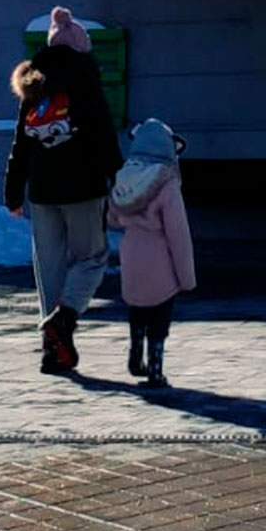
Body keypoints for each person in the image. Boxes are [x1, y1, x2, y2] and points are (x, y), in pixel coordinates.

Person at [4, 6, 123, 374]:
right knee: (92, 258)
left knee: (49, 269)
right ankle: (64, 318)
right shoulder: (84, 76)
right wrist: (119, 179)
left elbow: (21, 142)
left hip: (42, 192)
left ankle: (51, 352)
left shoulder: (33, 81)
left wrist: (13, 191)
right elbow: (102, 132)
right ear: (80, 48)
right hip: (83, 188)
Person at [106, 118, 195, 388]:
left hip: (131, 252)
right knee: (160, 312)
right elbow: (178, 234)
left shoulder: (125, 177)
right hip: (159, 256)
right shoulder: (167, 183)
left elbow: (112, 218)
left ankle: (136, 356)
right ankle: (155, 370)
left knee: (137, 307)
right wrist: (187, 278)